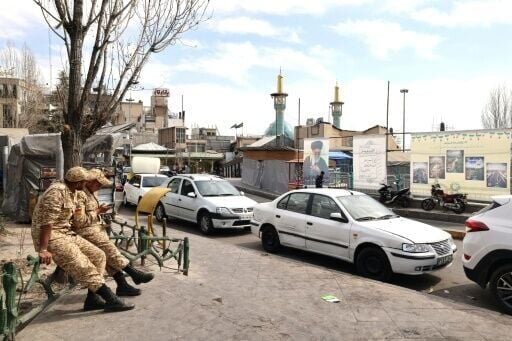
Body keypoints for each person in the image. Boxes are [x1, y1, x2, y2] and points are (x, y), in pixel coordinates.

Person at [31, 166, 134, 312]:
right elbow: (46, 223)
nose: (86, 184)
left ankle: (92, 300)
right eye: (85, 181)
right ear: (78, 182)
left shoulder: (72, 191)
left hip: (65, 233)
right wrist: (43, 249)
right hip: (52, 236)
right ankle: (112, 299)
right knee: (83, 265)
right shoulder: (57, 192)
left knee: (99, 256)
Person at [73, 169, 154, 297]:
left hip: (94, 228)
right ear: (90, 182)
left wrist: (99, 211)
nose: (99, 187)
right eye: (98, 184)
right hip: (84, 232)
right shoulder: (80, 194)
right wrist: (98, 211)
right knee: (110, 250)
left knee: (109, 253)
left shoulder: (90, 193)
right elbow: (79, 221)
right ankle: (133, 274)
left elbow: (90, 213)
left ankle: (122, 285)